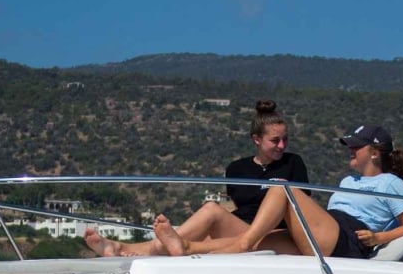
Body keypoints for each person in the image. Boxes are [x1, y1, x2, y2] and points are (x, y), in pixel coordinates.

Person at [155, 123, 403, 259]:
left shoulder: (390, 183)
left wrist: (379, 237)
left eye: (356, 147)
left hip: (349, 240)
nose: (350, 149)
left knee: (281, 189)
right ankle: (186, 247)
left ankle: (241, 245)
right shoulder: (348, 181)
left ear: (374, 153)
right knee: (260, 241)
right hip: (330, 229)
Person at [84, 99, 307, 257]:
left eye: (285, 140)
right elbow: (241, 207)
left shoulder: (293, 163)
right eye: (275, 140)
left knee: (197, 231)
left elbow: (301, 207)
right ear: (256, 139)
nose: (282, 146)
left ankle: (121, 248)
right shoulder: (236, 169)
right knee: (211, 209)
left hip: (274, 234)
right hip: (242, 229)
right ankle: (121, 247)